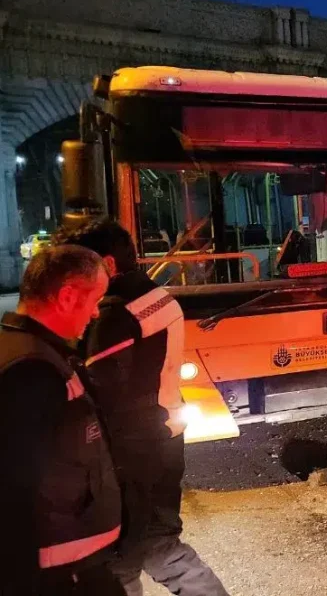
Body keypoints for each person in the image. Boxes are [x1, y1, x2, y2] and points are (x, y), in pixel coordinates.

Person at [54, 220, 228, 596]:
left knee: (125, 558)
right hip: (163, 436)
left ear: (108, 264)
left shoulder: (115, 313)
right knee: (154, 546)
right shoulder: (155, 294)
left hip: (131, 451)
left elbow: (97, 391)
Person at [0, 245, 124, 595]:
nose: (97, 313)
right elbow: (11, 489)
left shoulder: (32, 353)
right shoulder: (31, 371)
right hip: (57, 576)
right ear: (68, 297)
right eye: (95, 300)